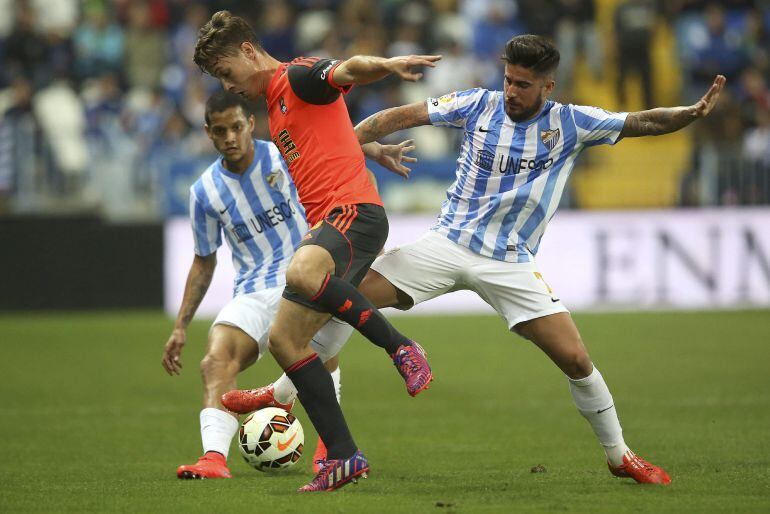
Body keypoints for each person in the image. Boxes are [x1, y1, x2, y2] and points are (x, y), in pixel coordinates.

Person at [227, 35, 726, 485]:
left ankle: (619, 456)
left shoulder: (571, 123)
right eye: (509, 79)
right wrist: (357, 145)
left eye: (524, 85)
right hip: (445, 245)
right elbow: (394, 117)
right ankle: (281, 393)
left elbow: (640, 121)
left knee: (575, 359)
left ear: (547, 87)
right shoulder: (475, 104)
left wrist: (689, 114)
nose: (511, 91)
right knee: (346, 299)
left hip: (509, 261)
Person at [192, 11, 437, 492]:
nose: (228, 84)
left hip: (353, 214)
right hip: (331, 223)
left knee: (301, 270)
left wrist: (387, 64)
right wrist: (370, 149)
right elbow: (323, 135)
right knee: (284, 342)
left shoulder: (297, 77)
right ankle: (344, 456)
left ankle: (402, 347)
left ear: (246, 51)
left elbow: (347, 69)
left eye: (225, 71)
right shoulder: (275, 107)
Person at [162, 91, 411, 480]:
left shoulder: (283, 156)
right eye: (221, 130)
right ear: (208, 133)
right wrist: (180, 325)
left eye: (237, 127)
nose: (230, 137)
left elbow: (341, 162)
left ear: (251, 124)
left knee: (318, 348)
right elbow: (203, 260)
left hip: (302, 271)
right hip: (250, 289)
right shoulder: (204, 192)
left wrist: (374, 151)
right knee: (215, 360)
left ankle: (330, 450)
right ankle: (213, 459)